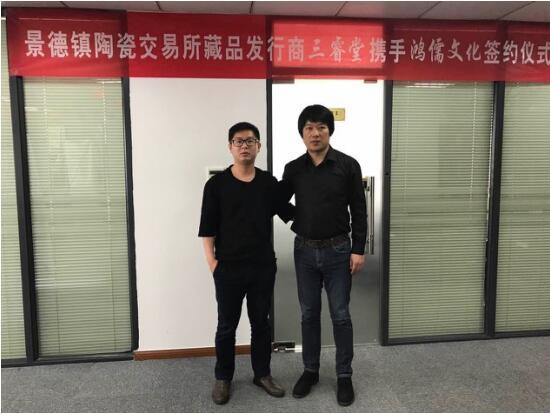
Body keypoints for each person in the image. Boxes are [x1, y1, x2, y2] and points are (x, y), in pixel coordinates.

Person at [199, 122, 293, 405]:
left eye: (250, 141)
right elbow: (207, 229)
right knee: (226, 326)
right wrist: (213, 264)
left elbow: (291, 213)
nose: (244, 146)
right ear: (230, 147)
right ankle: (223, 377)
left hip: (262, 267)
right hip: (228, 268)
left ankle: (262, 374)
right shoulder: (216, 185)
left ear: (258, 146)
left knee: (261, 324)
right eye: (238, 141)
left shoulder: (268, 184)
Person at [282, 105, 367, 406]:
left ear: (330, 131)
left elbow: (359, 209)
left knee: (340, 315)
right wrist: (296, 218)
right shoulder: (293, 168)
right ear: (302, 133)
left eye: (321, 127)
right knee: (308, 314)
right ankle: (311, 370)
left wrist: (358, 249)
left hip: (339, 251)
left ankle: (344, 375)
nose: (315, 133)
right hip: (304, 251)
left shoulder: (348, 165)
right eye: (309, 127)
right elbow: (277, 201)